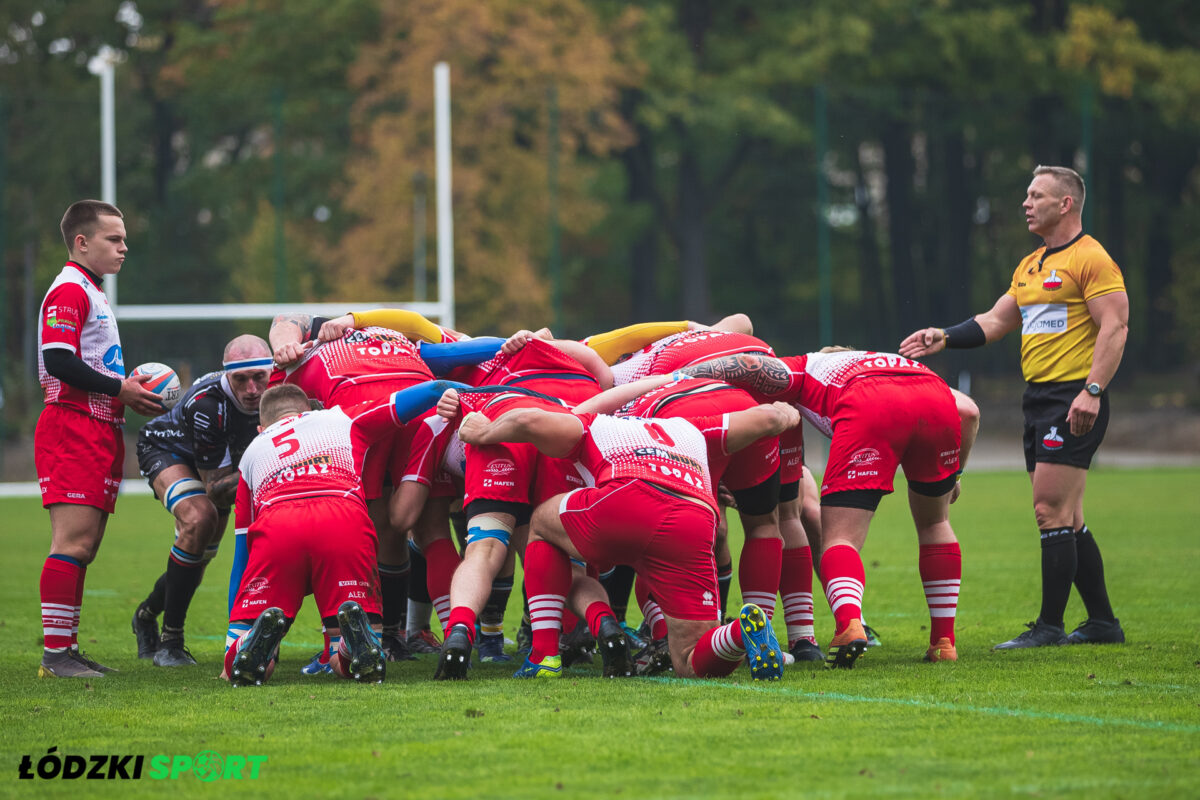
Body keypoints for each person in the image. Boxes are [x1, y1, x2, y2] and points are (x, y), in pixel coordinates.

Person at [900, 165, 1128, 649]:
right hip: (1039, 398)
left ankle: (1048, 627)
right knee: (1069, 515)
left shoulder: (1092, 259)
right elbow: (994, 321)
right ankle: (1104, 623)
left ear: (1065, 204)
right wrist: (942, 336)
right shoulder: (1030, 265)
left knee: (1048, 509)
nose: (1026, 203)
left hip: (1073, 397)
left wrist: (1092, 390)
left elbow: (1115, 327)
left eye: (1036, 195)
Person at [440, 385, 800, 681]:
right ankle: (739, 632)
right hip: (693, 520)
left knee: (541, 524)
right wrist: (790, 413)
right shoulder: (690, 428)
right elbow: (769, 417)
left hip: (627, 501)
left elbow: (529, 419)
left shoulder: (598, 424)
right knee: (689, 660)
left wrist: (482, 431)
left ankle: (544, 654)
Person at [221, 381, 459, 685]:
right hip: (342, 516)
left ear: (261, 427)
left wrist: (239, 618)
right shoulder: (342, 418)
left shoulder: (253, 451)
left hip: (279, 522)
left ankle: (249, 643)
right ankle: (349, 646)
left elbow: (243, 552)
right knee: (344, 658)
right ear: (308, 411)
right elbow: (428, 391)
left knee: (242, 668)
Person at [35, 200, 165, 678]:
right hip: (72, 426)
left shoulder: (90, 290)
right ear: (82, 242)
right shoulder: (69, 289)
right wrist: (121, 388)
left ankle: (65, 651)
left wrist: (122, 389)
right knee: (71, 542)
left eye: (125, 238)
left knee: (84, 546)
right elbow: (58, 360)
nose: (124, 247)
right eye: (114, 239)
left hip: (98, 428)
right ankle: (56, 656)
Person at [130, 335, 273, 666]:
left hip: (224, 464)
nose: (252, 388)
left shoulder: (279, 390)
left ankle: (146, 614)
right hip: (168, 450)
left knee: (199, 558)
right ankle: (171, 641)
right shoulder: (208, 404)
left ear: (271, 371)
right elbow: (217, 488)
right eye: (241, 379)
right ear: (227, 375)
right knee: (199, 519)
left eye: (259, 377)